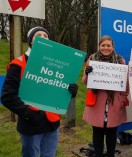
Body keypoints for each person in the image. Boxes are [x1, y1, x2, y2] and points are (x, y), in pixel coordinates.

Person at [1, 26, 78, 157]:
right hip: (31, 124)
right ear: (30, 40)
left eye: (45, 35)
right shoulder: (18, 64)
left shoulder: (56, 63)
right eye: (38, 35)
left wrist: (71, 91)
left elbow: (58, 87)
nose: (43, 37)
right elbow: (7, 96)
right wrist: (26, 113)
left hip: (52, 123)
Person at [83, 36, 129, 157]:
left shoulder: (120, 61)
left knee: (112, 134)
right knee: (97, 134)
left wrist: (122, 99)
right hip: (97, 103)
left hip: (114, 104)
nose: (106, 48)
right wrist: (87, 74)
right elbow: (85, 82)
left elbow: (126, 84)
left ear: (113, 47)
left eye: (108, 45)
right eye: (103, 45)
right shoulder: (92, 59)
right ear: (99, 46)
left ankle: (110, 154)